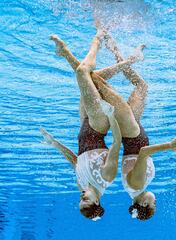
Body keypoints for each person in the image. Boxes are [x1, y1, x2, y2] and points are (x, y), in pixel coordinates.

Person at [50, 27, 176, 220]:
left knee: (95, 80)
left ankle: (120, 54)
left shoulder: (137, 186)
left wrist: (170, 146)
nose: (155, 200)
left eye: (154, 203)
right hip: (133, 132)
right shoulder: (133, 187)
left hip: (132, 134)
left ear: (144, 204)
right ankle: (118, 53)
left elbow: (143, 152)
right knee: (139, 86)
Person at [40, 29, 141, 220]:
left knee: (89, 78)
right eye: (85, 201)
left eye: (80, 201)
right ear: (96, 202)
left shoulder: (82, 186)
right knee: (82, 73)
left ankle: (127, 62)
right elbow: (117, 143)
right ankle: (96, 39)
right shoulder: (107, 178)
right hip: (97, 125)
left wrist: (54, 143)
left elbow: (74, 161)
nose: (81, 197)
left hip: (83, 126)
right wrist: (110, 116)